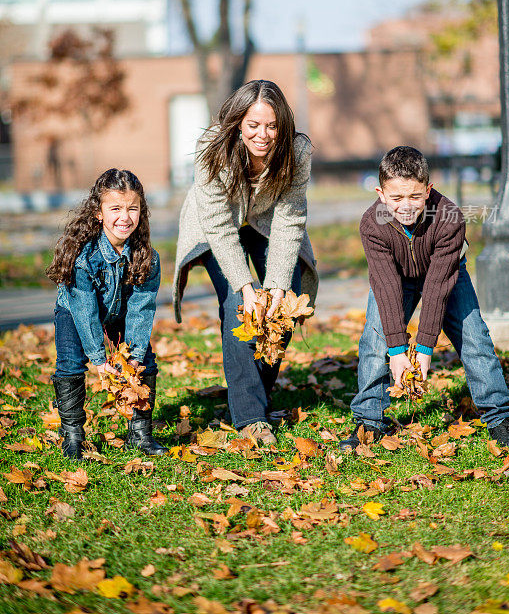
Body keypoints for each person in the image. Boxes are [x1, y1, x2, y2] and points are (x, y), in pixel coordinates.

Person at [340, 146, 509, 451]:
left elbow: (437, 287)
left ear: (428, 190)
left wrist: (423, 349)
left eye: (414, 196)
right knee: (374, 339)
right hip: (395, 278)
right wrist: (397, 349)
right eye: (396, 198)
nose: (405, 206)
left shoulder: (449, 218)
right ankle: (368, 420)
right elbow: (384, 286)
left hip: (446, 274)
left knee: (475, 337)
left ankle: (499, 416)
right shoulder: (372, 224)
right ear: (381, 194)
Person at [173, 80, 318, 445]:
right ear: (239, 122)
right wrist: (247, 286)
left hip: (267, 223)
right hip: (217, 228)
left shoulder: (297, 151)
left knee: (282, 305)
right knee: (240, 305)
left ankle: (255, 390)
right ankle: (251, 416)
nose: (263, 135)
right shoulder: (212, 146)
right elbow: (219, 223)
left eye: (272, 125)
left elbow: (290, 220)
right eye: (254, 125)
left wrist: (274, 288)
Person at [48, 168, 166, 459]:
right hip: (74, 312)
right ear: (98, 213)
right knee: (70, 364)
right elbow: (85, 310)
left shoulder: (147, 258)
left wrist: (134, 356)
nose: (124, 217)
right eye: (115, 208)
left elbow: (142, 308)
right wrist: (99, 360)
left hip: (123, 315)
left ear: (142, 212)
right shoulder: (83, 257)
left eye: (132, 209)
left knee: (145, 361)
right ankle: (73, 435)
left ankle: (139, 435)